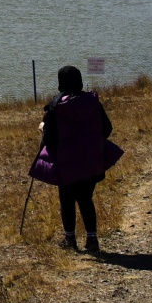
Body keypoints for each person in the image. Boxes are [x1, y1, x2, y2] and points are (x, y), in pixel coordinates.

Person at [40, 64, 114, 254]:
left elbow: (49, 139)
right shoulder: (93, 102)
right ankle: (92, 240)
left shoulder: (56, 107)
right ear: (80, 80)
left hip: (67, 162)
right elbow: (107, 129)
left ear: (60, 83)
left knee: (67, 200)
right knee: (86, 199)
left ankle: (70, 239)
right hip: (91, 161)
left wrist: (42, 128)